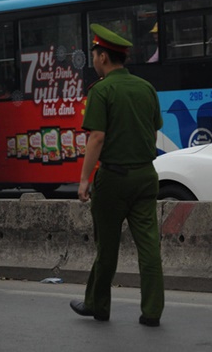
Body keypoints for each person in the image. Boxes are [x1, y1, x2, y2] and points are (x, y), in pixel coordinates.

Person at [69, 24, 165, 326]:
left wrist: (84, 180)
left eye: (96, 55)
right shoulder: (145, 88)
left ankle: (98, 305)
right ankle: (151, 312)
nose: (95, 60)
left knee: (107, 247)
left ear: (103, 58)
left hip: (113, 179)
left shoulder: (102, 90)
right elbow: (154, 128)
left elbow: (96, 137)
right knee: (149, 248)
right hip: (146, 175)